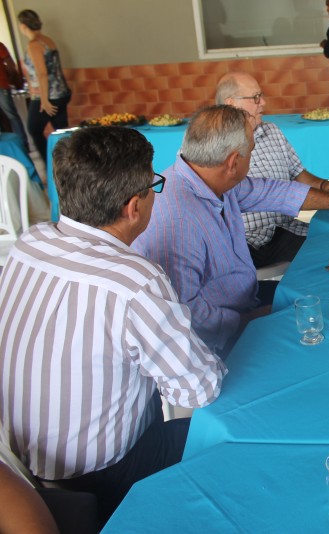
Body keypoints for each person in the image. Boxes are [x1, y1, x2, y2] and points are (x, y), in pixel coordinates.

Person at [0, 126, 227, 524]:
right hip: (101, 475)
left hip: (18, 461)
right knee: (227, 434)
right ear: (134, 206)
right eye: (154, 186)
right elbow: (200, 388)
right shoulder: (136, 281)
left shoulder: (30, 242)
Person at [133, 105, 329, 354]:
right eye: (251, 151)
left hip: (248, 299)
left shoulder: (212, 178)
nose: (252, 156)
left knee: (319, 294)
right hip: (219, 340)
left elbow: (272, 192)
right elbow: (187, 315)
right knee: (321, 333)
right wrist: (249, 320)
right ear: (233, 162)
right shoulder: (178, 221)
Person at [216, 71, 329, 267]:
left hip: (285, 230)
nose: (263, 102)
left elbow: (297, 172)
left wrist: (324, 184)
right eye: (255, 98)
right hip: (241, 241)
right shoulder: (209, 145)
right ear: (230, 103)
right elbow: (270, 193)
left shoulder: (272, 131)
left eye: (261, 96)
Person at [17, 9, 71, 161]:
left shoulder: (34, 45)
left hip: (49, 96)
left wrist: (44, 100)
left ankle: (50, 164)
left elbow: (42, 74)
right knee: (61, 132)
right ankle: (68, 163)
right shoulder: (47, 40)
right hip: (62, 93)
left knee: (34, 129)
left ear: (23, 26)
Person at [0, 41, 30, 153]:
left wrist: (13, 79)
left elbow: (10, 64)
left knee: (11, 115)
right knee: (11, 116)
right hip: (2, 86)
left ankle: (22, 145)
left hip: (1, 86)